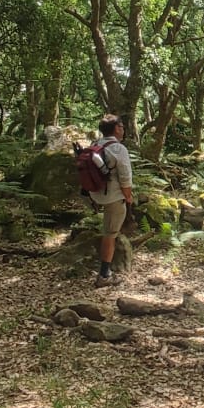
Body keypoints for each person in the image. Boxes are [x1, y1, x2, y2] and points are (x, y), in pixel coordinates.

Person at [84, 114, 134, 287]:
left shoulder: (95, 144)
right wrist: (128, 197)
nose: (123, 129)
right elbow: (125, 179)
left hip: (94, 194)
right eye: (122, 126)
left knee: (109, 228)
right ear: (116, 129)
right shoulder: (119, 149)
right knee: (110, 234)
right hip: (113, 197)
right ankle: (104, 275)